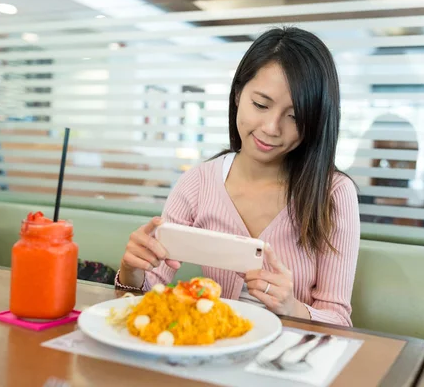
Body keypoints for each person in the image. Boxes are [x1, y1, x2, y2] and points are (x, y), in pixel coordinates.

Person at [116, 27, 360, 326]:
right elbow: (142, 295)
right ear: (237, 95)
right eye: (260, 104)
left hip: (293, 358)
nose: (271, 127)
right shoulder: (199, 183)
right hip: (216, 348)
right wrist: (132, 269)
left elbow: (339, 321)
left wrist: (291, 307)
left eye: (294, 116)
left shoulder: (333, 193)